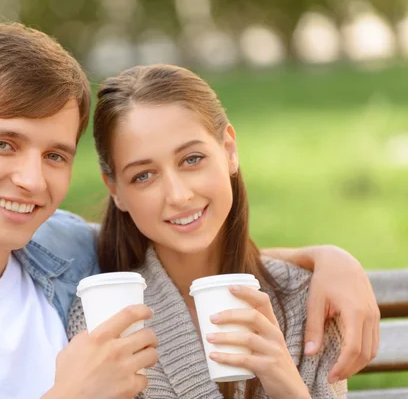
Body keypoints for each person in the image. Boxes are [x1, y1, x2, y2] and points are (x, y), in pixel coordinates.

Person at [0, 23, 376, 398]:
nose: (30, 181)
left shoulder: (62, 249)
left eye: (54, 154)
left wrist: (326, 260)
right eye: (3, 143)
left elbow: (180, 247)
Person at [67, 64, 365, 398]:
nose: (179, 195)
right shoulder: (102, 322)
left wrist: (285, 383)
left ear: (229, 151)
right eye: (144, 176)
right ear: (115, 189)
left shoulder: (308, 304)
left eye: (192, 159)